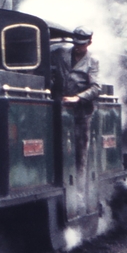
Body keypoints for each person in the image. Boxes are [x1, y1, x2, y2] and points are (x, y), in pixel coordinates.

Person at [52, 27, 101, 180]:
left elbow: (96, 87)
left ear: (89, 42)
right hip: (59, 106)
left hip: (81, 111)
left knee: (80, 149)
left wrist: (78, 98)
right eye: (76, 43)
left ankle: (80, 184)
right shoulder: (60, 53)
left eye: (82, 44)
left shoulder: (93, 61)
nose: (78, 47)